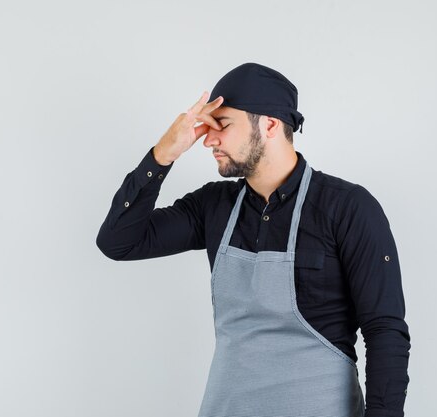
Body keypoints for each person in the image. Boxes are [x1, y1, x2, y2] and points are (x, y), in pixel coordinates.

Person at [96, 62, 410, 417]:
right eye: (207, 127)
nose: (208, 139)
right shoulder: (213, 206)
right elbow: (119, 242)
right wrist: (163, 154)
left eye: (223, 125)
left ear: (270, 125)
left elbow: (385, 331)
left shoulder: (348, 207)